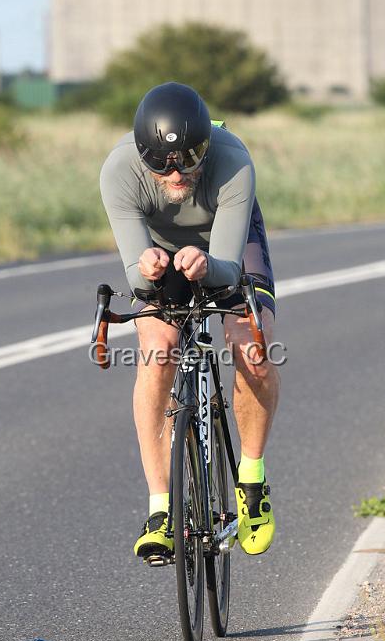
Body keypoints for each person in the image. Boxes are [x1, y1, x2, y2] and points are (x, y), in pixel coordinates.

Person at [100, 82, 280, 557]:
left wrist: (207, 265)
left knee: (252, 347)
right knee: (157, 349)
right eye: (161, 163)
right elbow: (136, 280)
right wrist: (147, 269)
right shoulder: (118, 170)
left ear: (206, 144)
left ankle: (252, 481)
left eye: (190, 157)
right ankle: (161, 508)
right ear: (143, 156)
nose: (177, 173)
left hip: (229, 243)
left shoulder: (233, 159)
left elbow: (227, 268)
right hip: (161, 245)